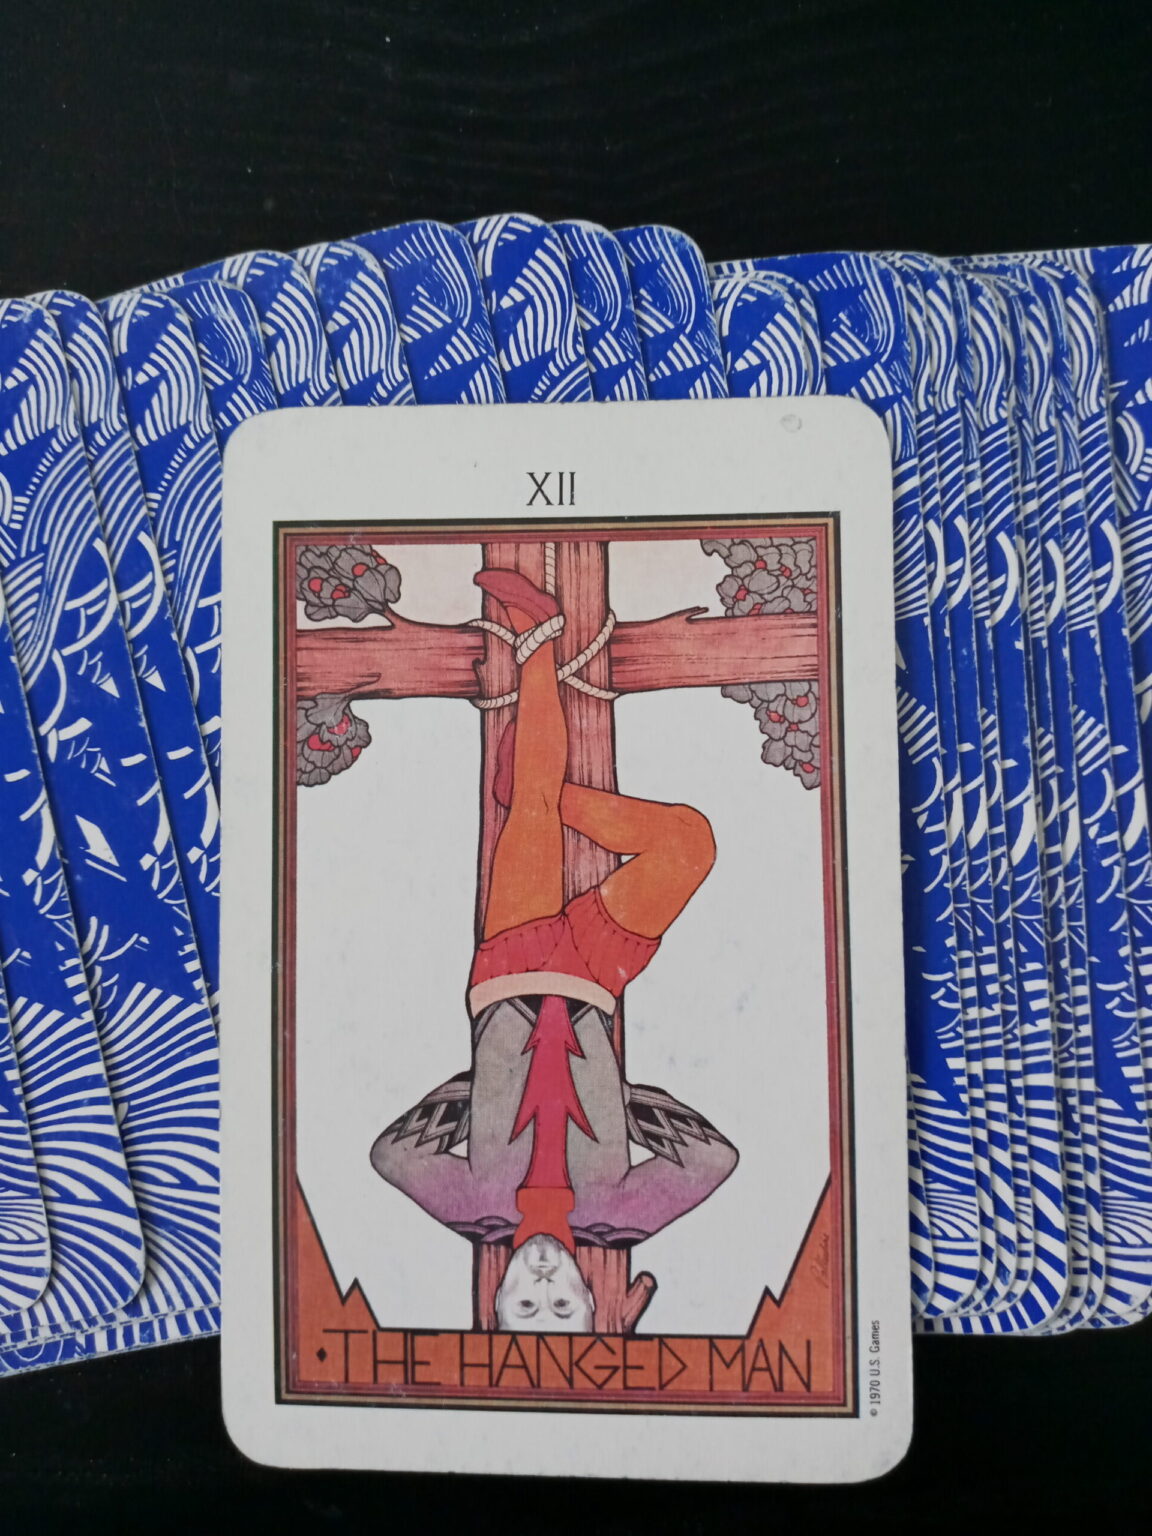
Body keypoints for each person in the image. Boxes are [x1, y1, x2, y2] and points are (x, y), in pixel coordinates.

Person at [371, 568, 738, 1332]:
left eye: (524, 1304)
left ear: (498, 1295)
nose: (543, 1283)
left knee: (532, 806)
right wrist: (624, 1105)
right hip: (593, 982)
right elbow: (713, 1160)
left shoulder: (472, 1210)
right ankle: (545, 782)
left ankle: (537, 639)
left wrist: (476, 1093)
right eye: (563, 1304)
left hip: (509, 975)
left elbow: (393, 1157)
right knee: (688, 843)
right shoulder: (622, 1217)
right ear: (590, 1295)